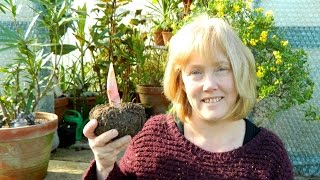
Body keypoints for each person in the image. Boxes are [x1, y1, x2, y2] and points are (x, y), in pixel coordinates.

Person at [83, 15, 293, 179]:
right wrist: (104, 166)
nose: (209, 85)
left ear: (240, 73)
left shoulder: (269, 154)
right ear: (180, 81)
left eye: (221, 69)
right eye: (196, 72)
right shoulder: (152, 139)